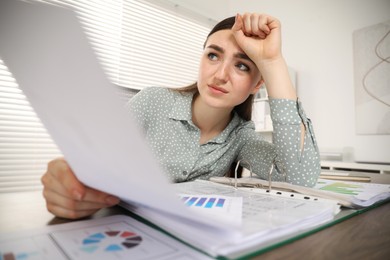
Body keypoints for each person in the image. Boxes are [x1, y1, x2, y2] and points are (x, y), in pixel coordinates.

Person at [41, 13, 320, 219]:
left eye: (242, 66)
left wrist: (272, 62)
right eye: (213, 56)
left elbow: (299, 179)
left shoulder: (241, 136)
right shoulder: (153, 101)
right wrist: (71, 180)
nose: (221, 75)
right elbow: (92, 162)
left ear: (256, 85)